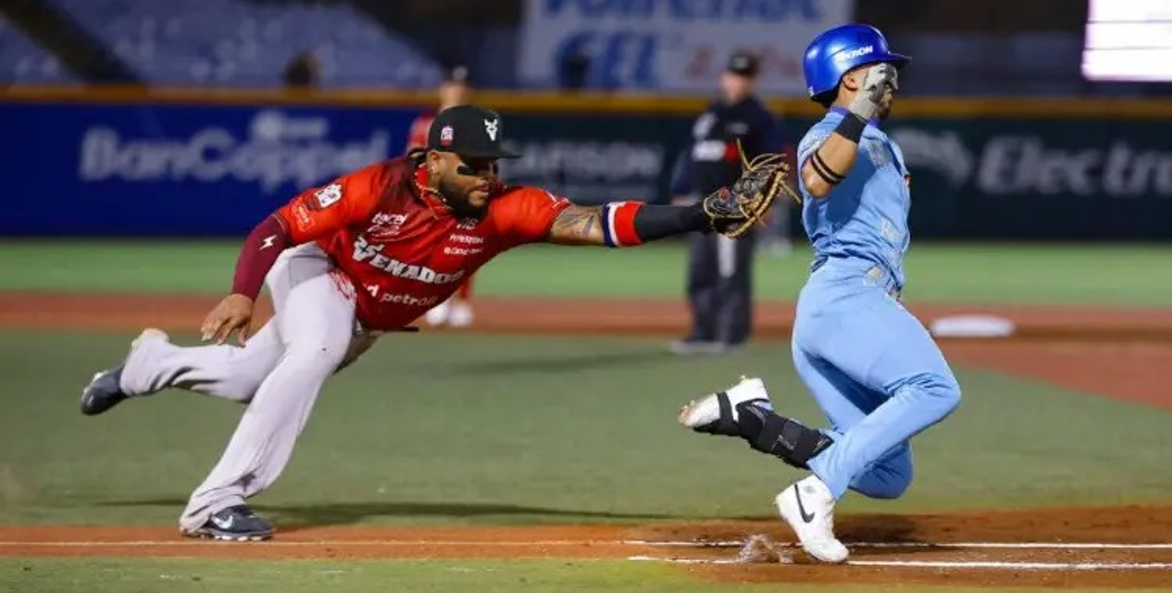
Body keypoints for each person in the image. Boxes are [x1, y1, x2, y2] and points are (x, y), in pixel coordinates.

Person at [78, 104, 788, 542]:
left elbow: (601, 221)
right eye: (474, 164)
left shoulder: (504, 209)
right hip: (313, 272)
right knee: (313, 348)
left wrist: (698, 214)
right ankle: (214, 505)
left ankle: (147, 365)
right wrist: (241, 293)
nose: (488, 174)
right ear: (436, 158)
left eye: (494, 162)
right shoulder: (378, 186)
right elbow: (276, 225)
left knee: (244, 380)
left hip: (368, 315)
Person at [676, 24, 962, 563]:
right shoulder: (831, 132)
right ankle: (816, 491)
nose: (892, 81)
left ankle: (755, 418)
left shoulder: (871, 138)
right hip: (846, 295)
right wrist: (856, 111)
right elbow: (816, 179)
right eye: (882, 71)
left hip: (839, 310)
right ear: (852, 77)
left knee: (888, 474)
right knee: (933, 387)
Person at [670, 51, 784, 356]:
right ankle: (702, 331)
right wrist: (682, 188)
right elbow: (693, 155)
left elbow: (771, 162)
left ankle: (731, 335)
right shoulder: (711, 115)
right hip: (701, 203)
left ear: (752, 81)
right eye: (734, 75)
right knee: (700, 270)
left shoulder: (759, 117)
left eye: (745, 77)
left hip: (737, 204)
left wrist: (765, 200)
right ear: (724, 77)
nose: (738, 82)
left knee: (731, 271)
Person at [407, 65, 476, 327]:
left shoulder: (476, 122)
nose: (457, 90)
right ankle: (438, 300)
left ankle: (463, 302)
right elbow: (412, 155)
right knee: (432, 248)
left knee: (467, 246)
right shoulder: (425, 122)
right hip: (432, 191)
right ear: (443, 89)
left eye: (463, 85)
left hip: (463, 190)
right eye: (453, 84)